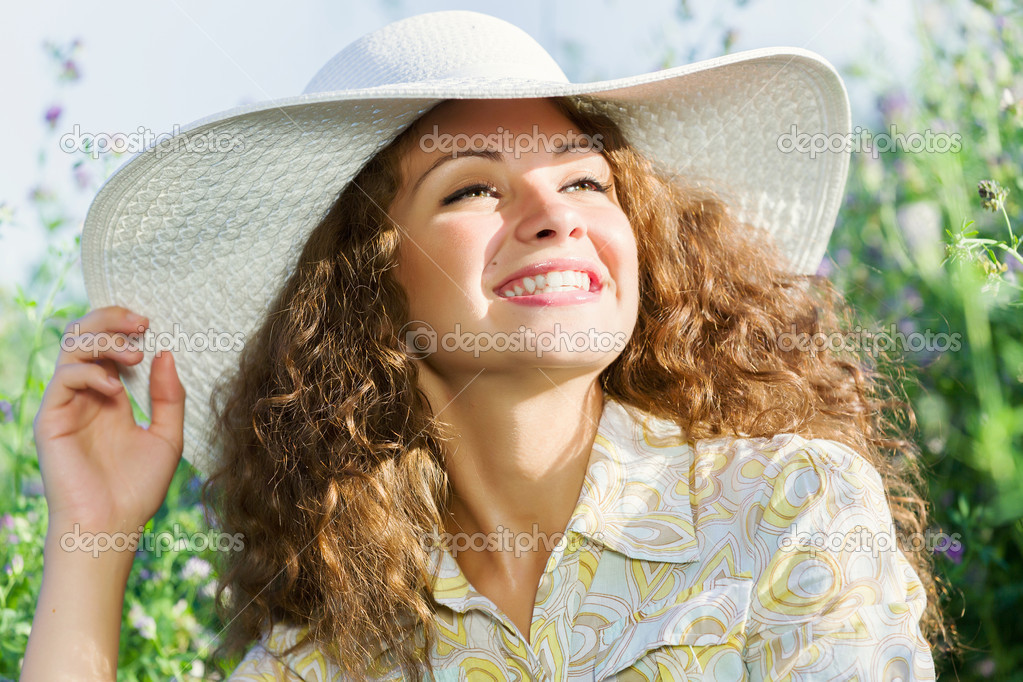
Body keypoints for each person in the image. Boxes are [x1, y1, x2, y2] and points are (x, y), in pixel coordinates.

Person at [23, 11, 943, 681]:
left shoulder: (789, 509)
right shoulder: (330, 657)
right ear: (367, 285)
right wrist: (90, 533)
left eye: (586, 181)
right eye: (469, 190)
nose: (553, 217)